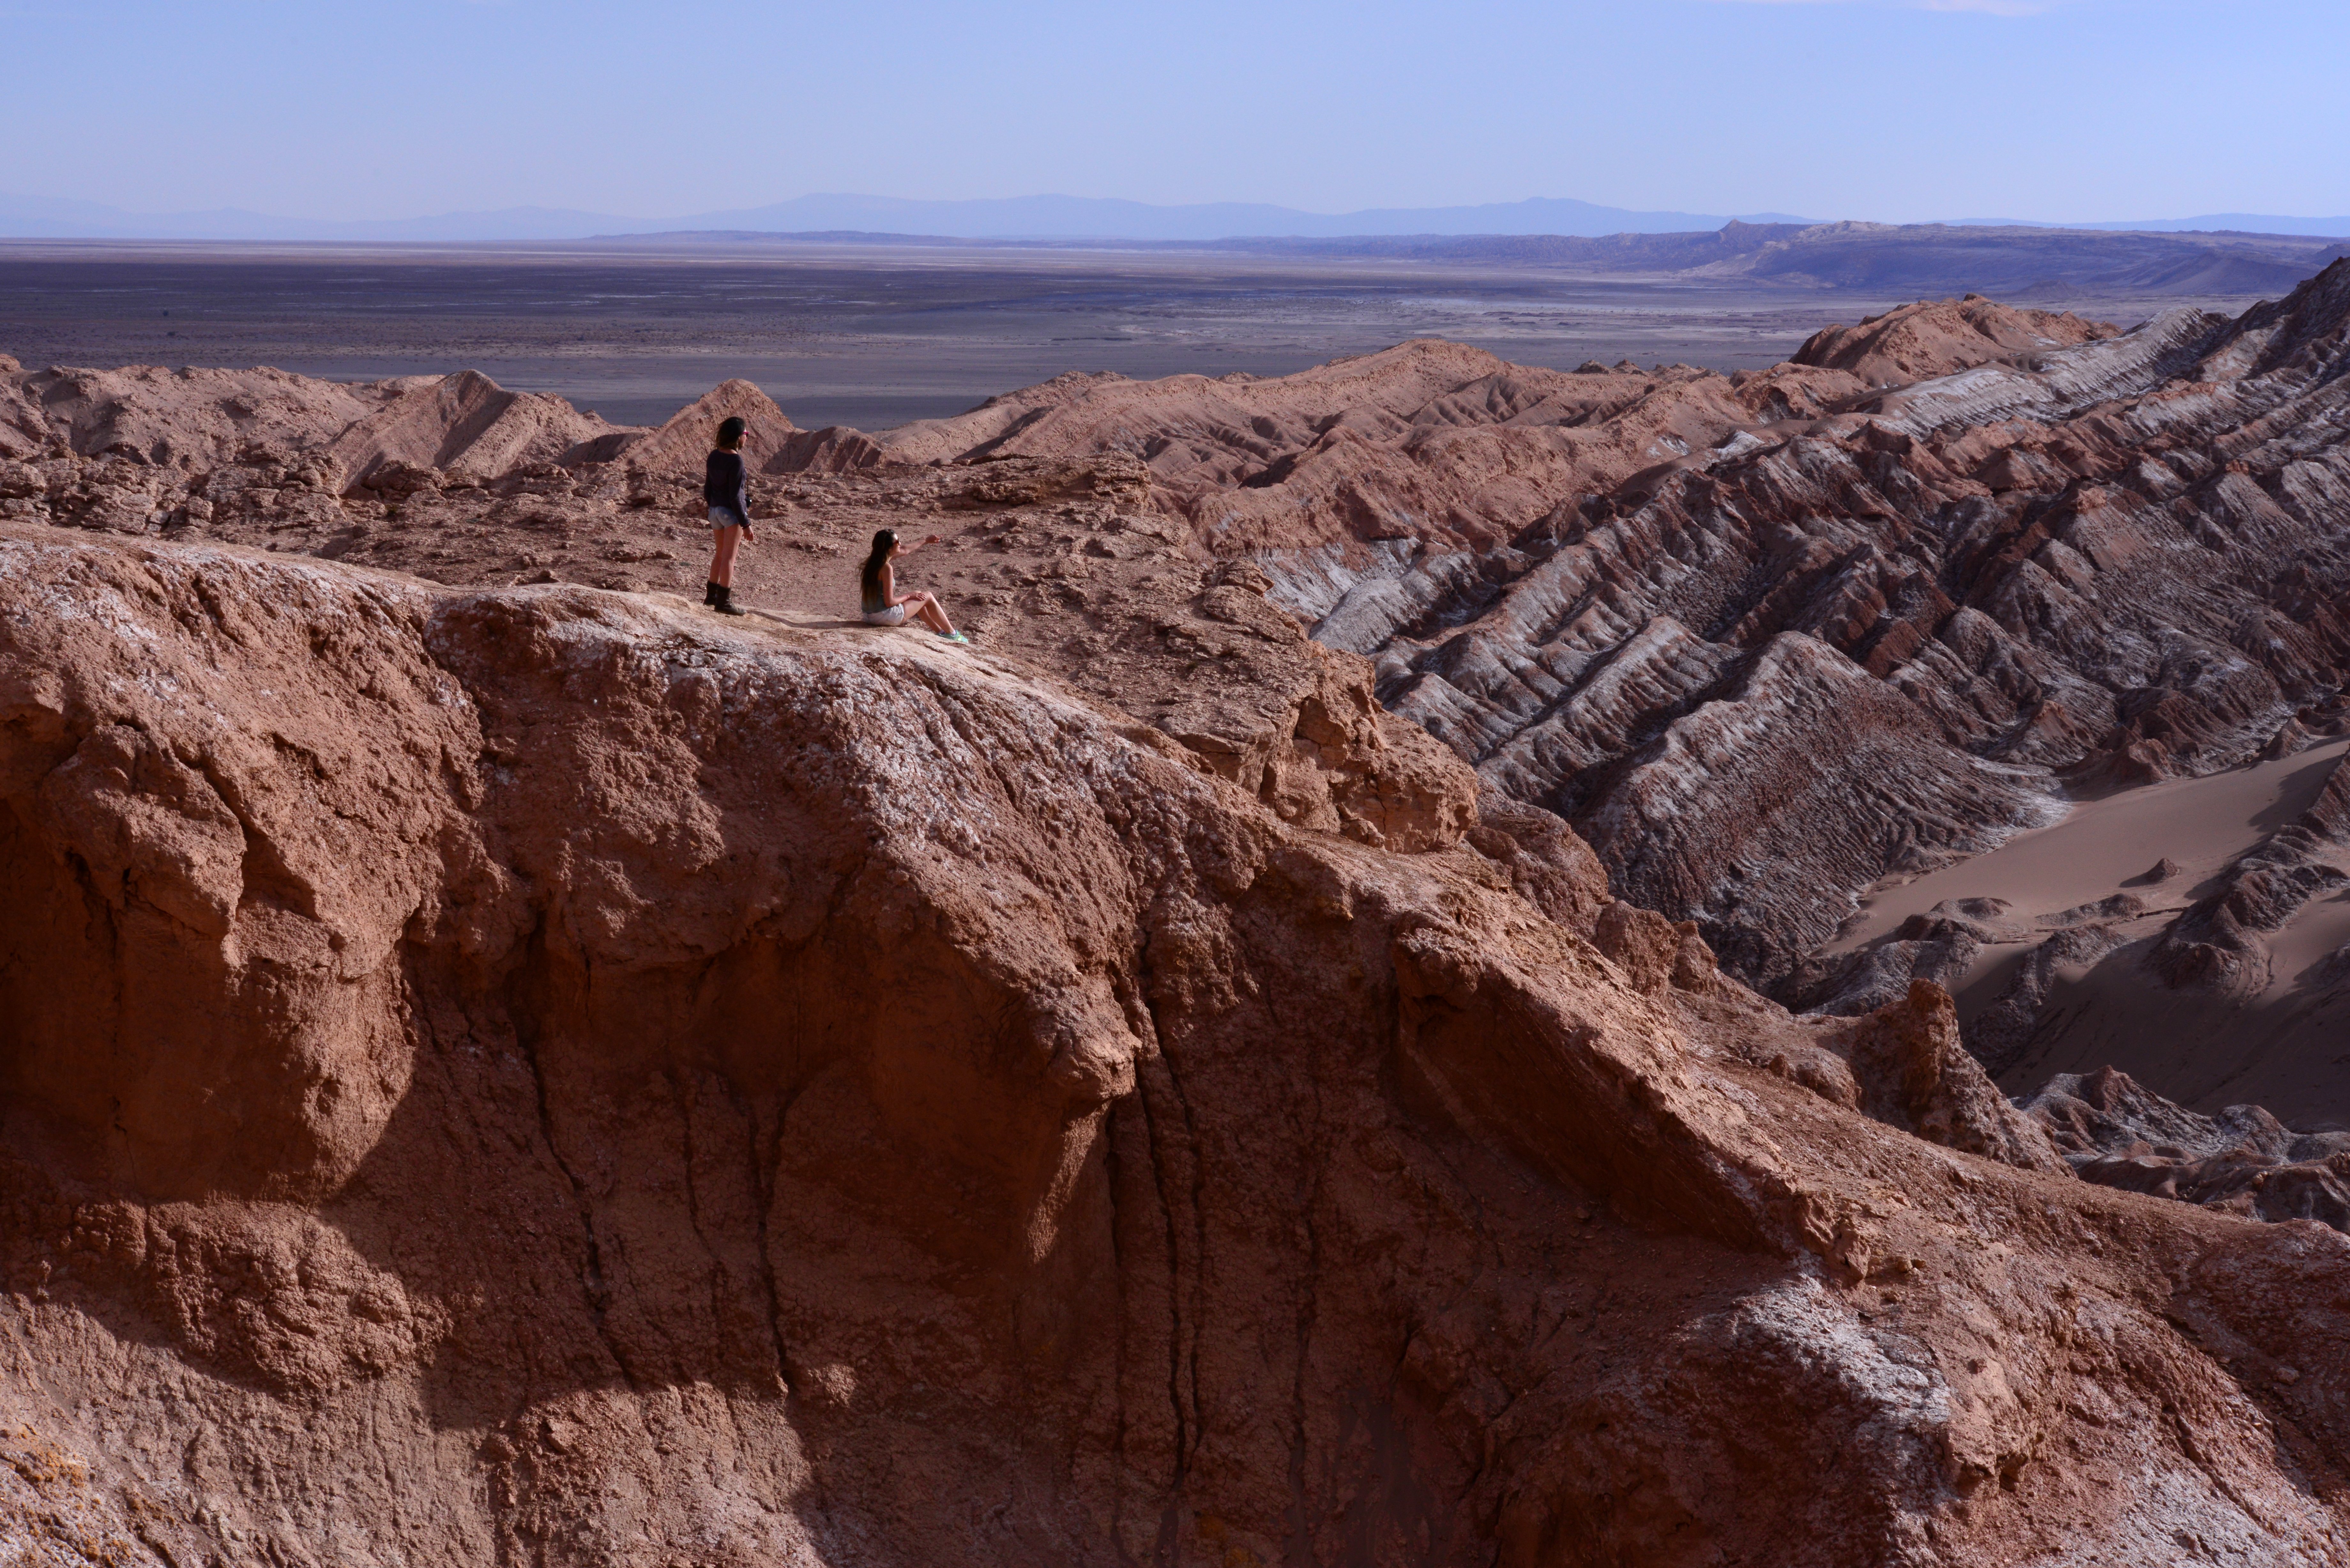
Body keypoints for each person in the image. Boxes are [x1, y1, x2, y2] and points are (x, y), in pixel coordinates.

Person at [860, 529, 967, 642]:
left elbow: (906, 550)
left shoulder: (873, 561)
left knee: (920, 595)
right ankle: (953, 634)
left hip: (869, 616)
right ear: (890, 548)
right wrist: (909, 596)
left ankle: (941, 632)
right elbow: (889, 602)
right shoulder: (886, 568)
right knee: (928, 596)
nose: (900, 544)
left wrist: (926, 541)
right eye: (898, 542)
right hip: (883, 616)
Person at [702, 416, 754, 615]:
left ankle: (711, 597)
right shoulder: (736, 461)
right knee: (730, 559)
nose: (746, 437)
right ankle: (724, 602)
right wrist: (746, 523)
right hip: (730, 514)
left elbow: (707, 490)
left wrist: (714, 508)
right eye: (745, 434)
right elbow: (735, 497)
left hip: (715, 512)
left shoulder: (713, 456)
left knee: (719, 555)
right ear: (737, 436)